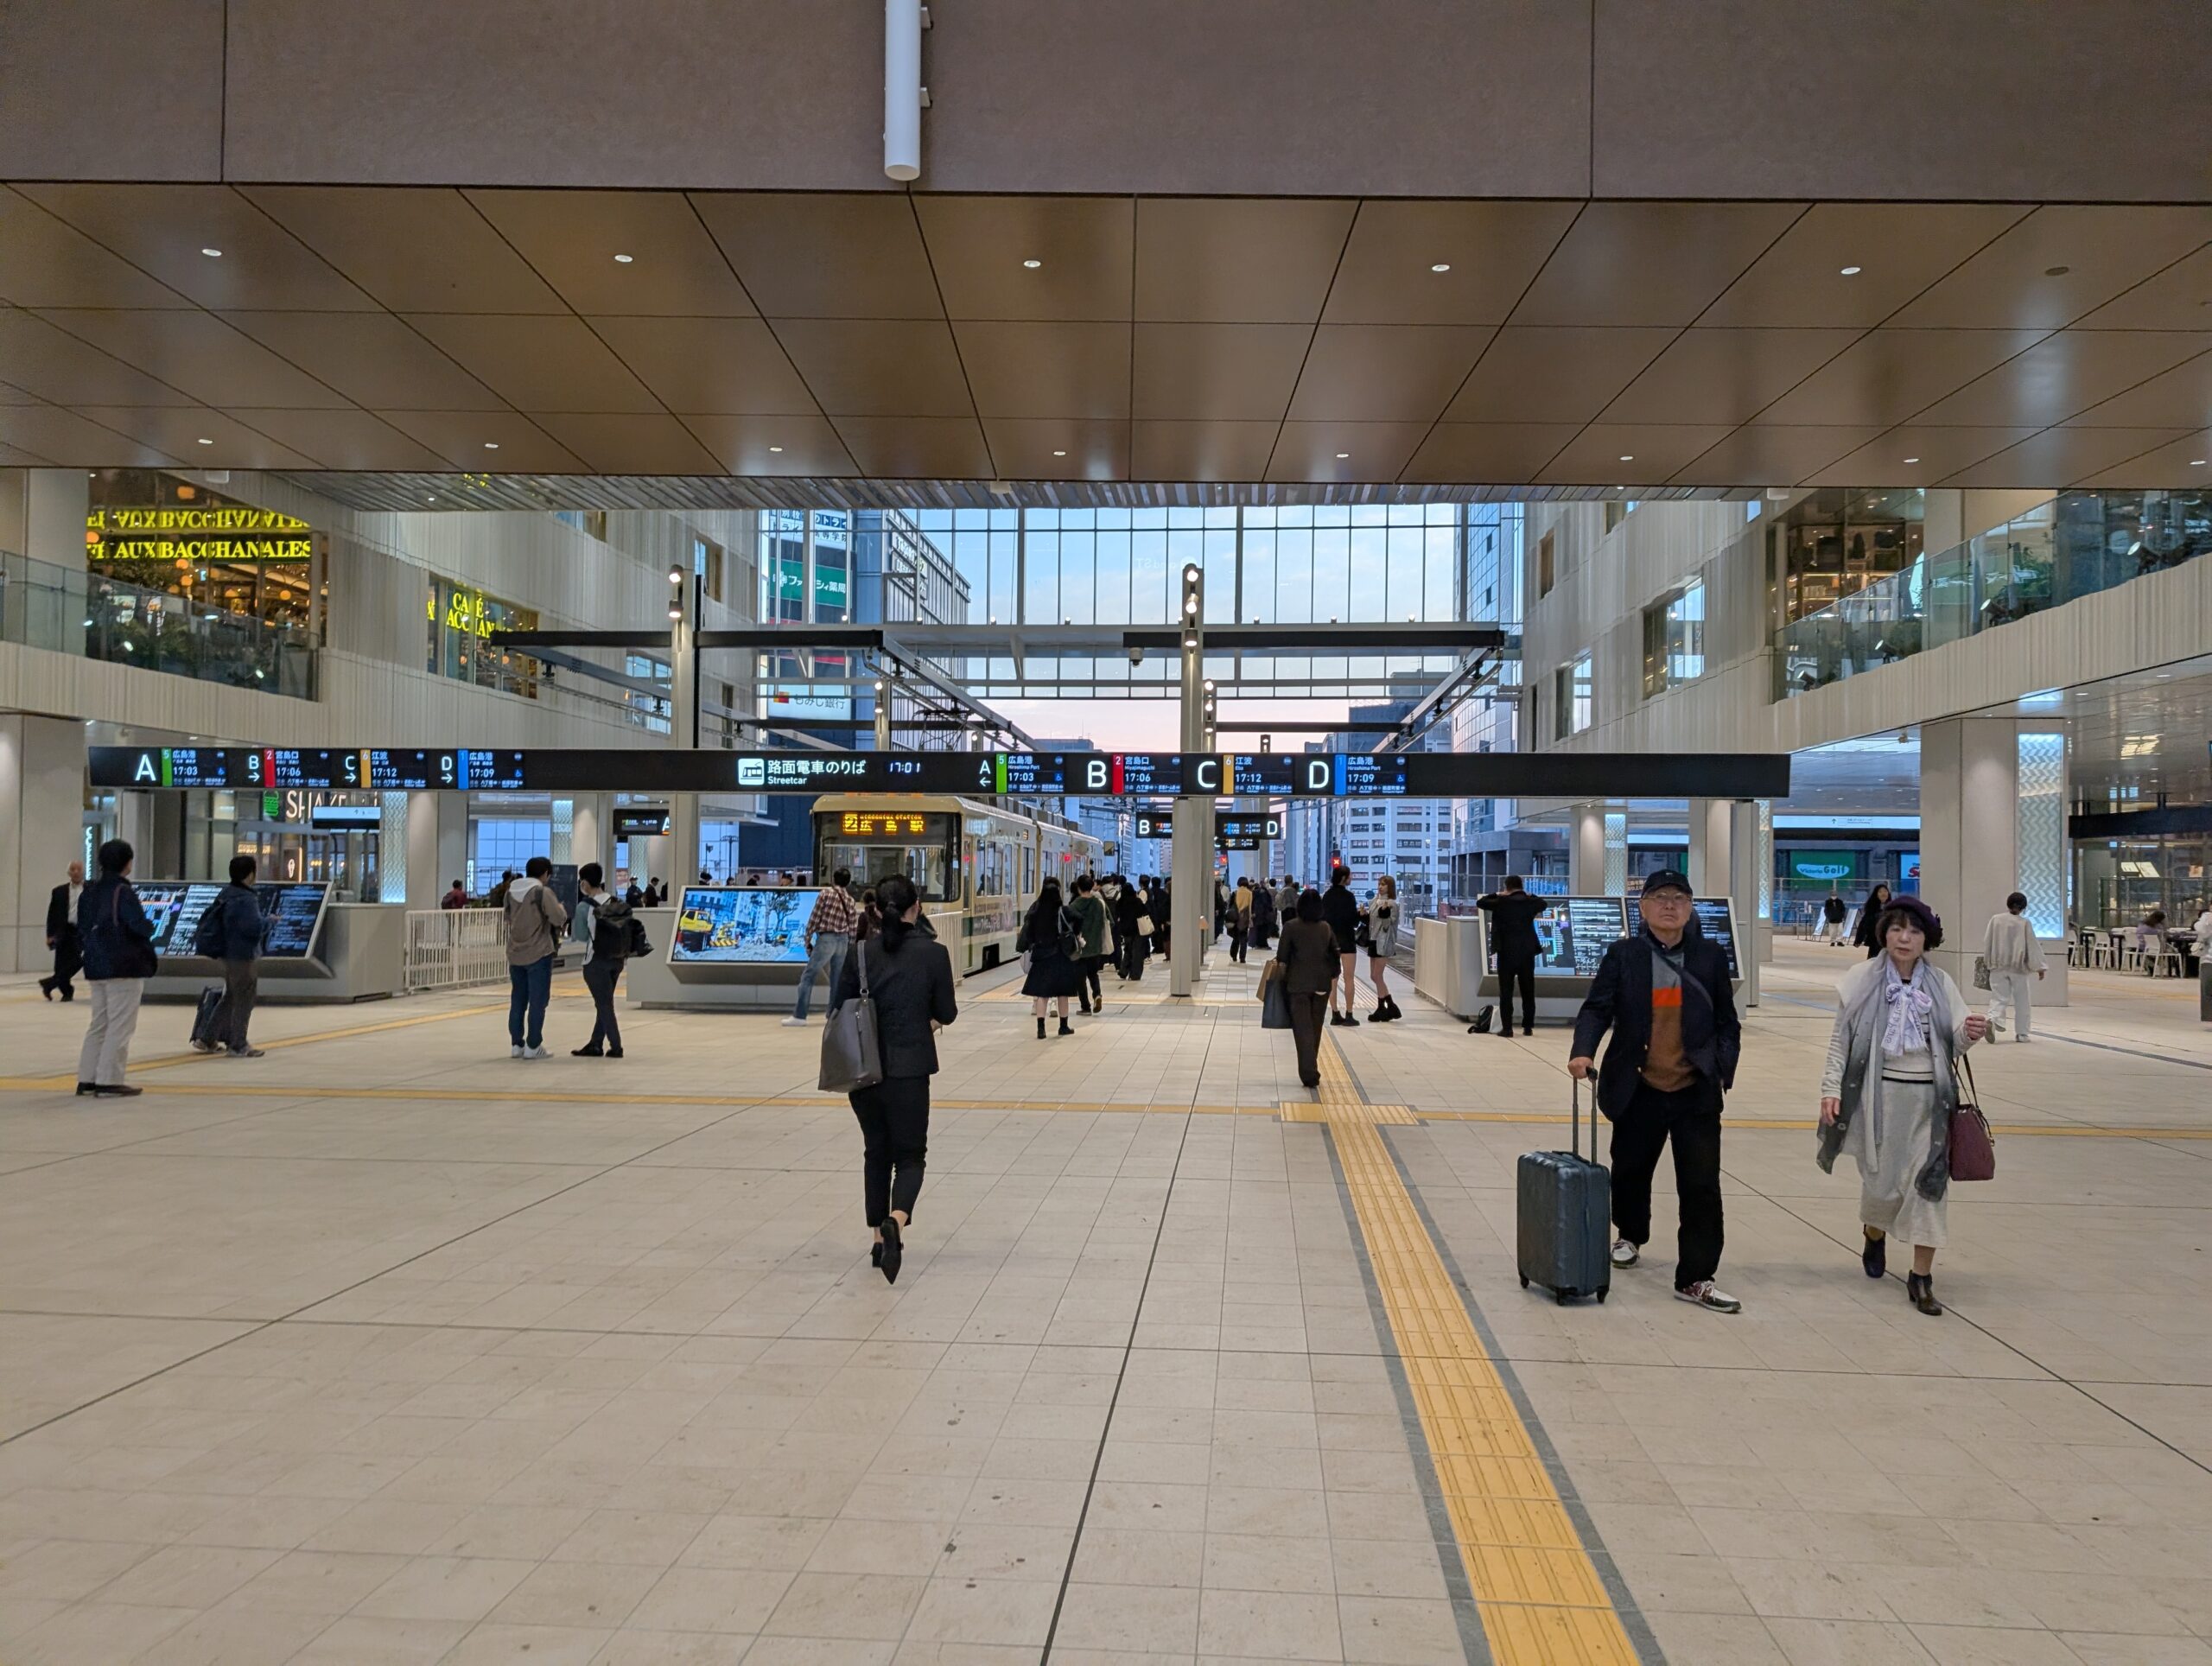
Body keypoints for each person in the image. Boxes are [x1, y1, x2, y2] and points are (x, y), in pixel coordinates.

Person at [1568, 869, 1745, 1314]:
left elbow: (1728, 1022)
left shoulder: (1709, 957)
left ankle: (1696, 1277)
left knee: (1701, 1185)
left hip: (1695, 1089)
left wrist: (1721, 1068)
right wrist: (1583, 1051)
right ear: (1643, 907)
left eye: (1679, 898)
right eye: (1660, 897)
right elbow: (1597, 1008)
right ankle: (1630, 1234)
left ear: (1690, 908)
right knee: (1630, 1170)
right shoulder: (1624, 955)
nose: (1670, 905)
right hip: (1639, 1084)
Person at [1818, 895, 1986, 1316]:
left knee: (1929, 1185)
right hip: (1878, 1100)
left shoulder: (1940, 984)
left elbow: (1952, 1045)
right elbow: (1841, 1041)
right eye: (1897, 929)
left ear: (1926, 939)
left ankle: (1921, 1277)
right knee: (1882, 1186)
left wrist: (1970, 1034)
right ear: (1884, 934)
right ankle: (1874, 1231)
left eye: (1914, 931)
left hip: (1931, 1103)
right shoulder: (1861, 979)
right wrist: (1830, 1089)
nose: (1905, 938)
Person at [833, 874, 956, 1283]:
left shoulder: (860, 954)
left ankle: (876, 1240)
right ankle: (896, 1221)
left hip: (864, 1072)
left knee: (876, 1153)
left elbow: (839, 1008)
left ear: (874, 908)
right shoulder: (934, 954)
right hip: (910, 1071)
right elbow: (947, 1012)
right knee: (910, 1156)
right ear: (915, 907)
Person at [76, 838, 155, 1097]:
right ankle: (109, 1080)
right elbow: (138, 926)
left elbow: (82, 927)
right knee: (120, 1024)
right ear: (127, 863)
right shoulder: (123, 891)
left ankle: (87, 1078)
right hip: (123, 965)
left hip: (95, 963)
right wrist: (148, 929)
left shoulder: (89, 891)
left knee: (99, 1023)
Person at [191, 855, 266, 1058]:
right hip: (243, 955)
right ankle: (238, 1044)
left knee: (231, 996)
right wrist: (269, 922)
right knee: (244, 1000)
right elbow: (253, 928)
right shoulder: (246, 899)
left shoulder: (227, 893)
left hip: (227, 954)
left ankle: (207, 1037)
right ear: (250, 875)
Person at [571, 862, 641, 1058]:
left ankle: (616, 1046)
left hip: (595, 962)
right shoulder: (616, 901)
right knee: (605, 1002)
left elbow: (581, 936)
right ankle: (595, 1043)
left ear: (584, 883)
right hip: (617, 960)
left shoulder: (584, 907)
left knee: (604, 1005)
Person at [1274, 889, 1341, 1090]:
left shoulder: (1291, 927)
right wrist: (1331, 974)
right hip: (1321, 985)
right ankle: (1311, 1067)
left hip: (1298, 985)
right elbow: (1335, 954)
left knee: (1302, 1029)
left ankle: (1309, 1073)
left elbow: (1282, 956)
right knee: (1315, 1027)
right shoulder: (1326, 928)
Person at [503, 855, 567, 1059]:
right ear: (546, 873)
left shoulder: (511, 891)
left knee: (518, 1000)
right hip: (539, 952)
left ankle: (516, 1044)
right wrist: (561, 910)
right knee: (538, 1001)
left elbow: (508, 917)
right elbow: (558, 918)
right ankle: (533, 1045)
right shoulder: (542, 892)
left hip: (515, 952)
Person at [783, 868, 861, 1027]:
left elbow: (815, 916)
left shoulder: (826, 894)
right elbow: (853, 926)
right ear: (848, 883)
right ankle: (833, 1015)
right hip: (843, 940)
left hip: (827, 939)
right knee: (837, 980)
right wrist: (850, 944)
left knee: (808, 976)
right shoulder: (850, 900)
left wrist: (807, 938)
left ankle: (800, 1015)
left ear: (833, 879)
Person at [1477, 875, 1547, 1037]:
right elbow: (1543, 904)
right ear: (1521, 886)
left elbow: (1481, 903)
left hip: (1506, 951)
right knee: (1528, 990)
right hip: (1526, 952)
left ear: (1506, 887)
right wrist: (1530, 895)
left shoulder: (1501, 902)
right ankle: (1528, 1027)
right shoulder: (1529, 902)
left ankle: (1507, 1028)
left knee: (1506, 992)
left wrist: (1497, 894)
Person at [1017, 877, 1084, 1038]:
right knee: (1062, 993)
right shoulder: (1063, 911)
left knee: (1042, 994)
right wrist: (1074, 933)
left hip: (1041, 957)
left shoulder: (1035, 912)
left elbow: (1029, 933)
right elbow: (1080, 918)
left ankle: (1041, 1029)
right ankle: (1063, 1026)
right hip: (1060, 957)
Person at [1981, 890, 2046, 1041]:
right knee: (2022, 1000)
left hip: (1997, 966)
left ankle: (1992, 1019)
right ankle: (2022, 1034)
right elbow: (2032, 945)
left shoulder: (1996, 920)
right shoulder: (2024, 923)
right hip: (2018, 968)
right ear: (2023, 907)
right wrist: (2040, 967)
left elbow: (1987, 941)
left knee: (1998, 997)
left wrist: (1988, 961)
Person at [1321, 867, 1362, 1026]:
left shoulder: (1327, 896)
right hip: (1347, 941)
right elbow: (1354, 921)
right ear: (1344, 878)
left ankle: (1335, 1013)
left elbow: (1323, 918)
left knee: (1333, 979)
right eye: (1350, 876)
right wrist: (1360, 915)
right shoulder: (1349, 897)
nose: (1352, 878)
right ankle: (1349, 1014)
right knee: (1349, 978)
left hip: (1331, 941)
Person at [41, 859, 86, 1002]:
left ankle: (49, 983)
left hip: (82, 930)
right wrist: (50, 935)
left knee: (79, 961)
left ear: (83, 871)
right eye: (73, 869)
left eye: (79, 869)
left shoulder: (91, 889)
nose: (76, 872)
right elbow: (52, 915)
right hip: (64, 930)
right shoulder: (59, 891)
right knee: (61, 964)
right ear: (69, 873)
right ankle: (66, 991)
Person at [1070, 873, 1110, 1014]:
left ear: (1078, 888)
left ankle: (1085, 1007)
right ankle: (1097, 995)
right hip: (1095, 946)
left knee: (1080, 979)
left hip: (1079, 948)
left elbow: (1069, 926)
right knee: (1093, 974)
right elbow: (1109, 921)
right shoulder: (1099, 904)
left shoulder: (1074, 905)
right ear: (1092, 886)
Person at [1364, 874, 1403, 1021]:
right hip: (1373, 940)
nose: (1380, 887)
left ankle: (1382, 1008)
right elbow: (1371, 921)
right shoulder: (1374, 902)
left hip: (1384, 942)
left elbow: (1388, 926)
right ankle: (1391, 1006)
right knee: (1373, 976)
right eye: (1379, 884)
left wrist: (1385, 912)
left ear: (1390, 887)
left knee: (1377, 975)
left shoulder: (1392, 904)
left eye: (1384, 884)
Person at [1852, 883, 1893, 957]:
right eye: (1880, 892)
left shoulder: (1894, 908)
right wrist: (1859, 939)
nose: (1883, 893)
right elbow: (1864, 924)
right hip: (1875, 941)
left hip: (1890, 941)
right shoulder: (1872, 909)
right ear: (1876, 894)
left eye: (1885, 891)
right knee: (1874, 961)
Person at [1248, 874, 1277, 953]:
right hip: (1264, 915)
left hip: (1257, 915)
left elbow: (1252, 903)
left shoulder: (1255, 893)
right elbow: (1268, 904)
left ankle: (1257, 944)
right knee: (1263, 930)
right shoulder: (1265, 893)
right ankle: (1262, 944)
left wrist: (1253, 912)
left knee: (1257, 930)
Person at [1230, 875, 1253, 964]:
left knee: (1236, 937)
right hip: (1244, 919)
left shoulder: (1235, 892)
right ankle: (1242, 958)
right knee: (1244, 939)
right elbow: (1250, 907)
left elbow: (1230, 906)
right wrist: (1250, 919)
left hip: (1236, 918)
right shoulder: (1249, 893)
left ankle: (1234, 955)